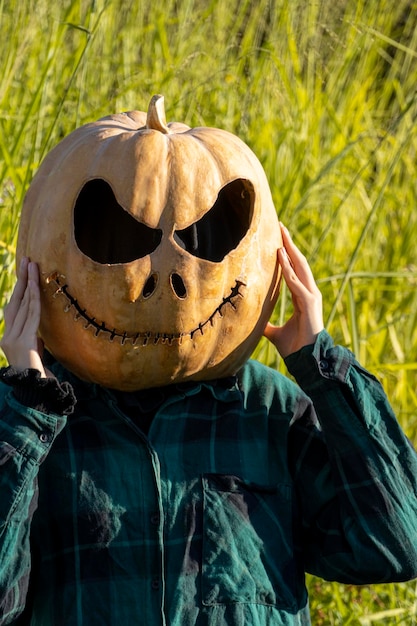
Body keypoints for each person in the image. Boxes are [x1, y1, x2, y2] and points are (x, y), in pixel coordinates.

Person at [0, 224, 416, 625]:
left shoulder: (267, 409)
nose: (161, 279)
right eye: (127, 246)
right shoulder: (36, 422)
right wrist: (28, 409)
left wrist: (317, 360)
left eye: (192, 246)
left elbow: (397, 544)